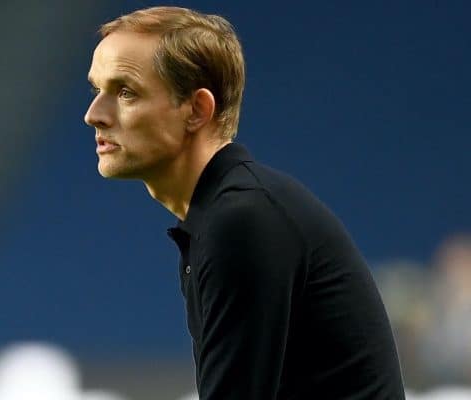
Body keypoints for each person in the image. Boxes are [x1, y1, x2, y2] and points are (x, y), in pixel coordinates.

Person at [84, 6, 405, 399]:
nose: (93, 114)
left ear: (197, 110)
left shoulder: (241, 220)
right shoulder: (228, 213)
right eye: (96, 90)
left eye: (125, 92)